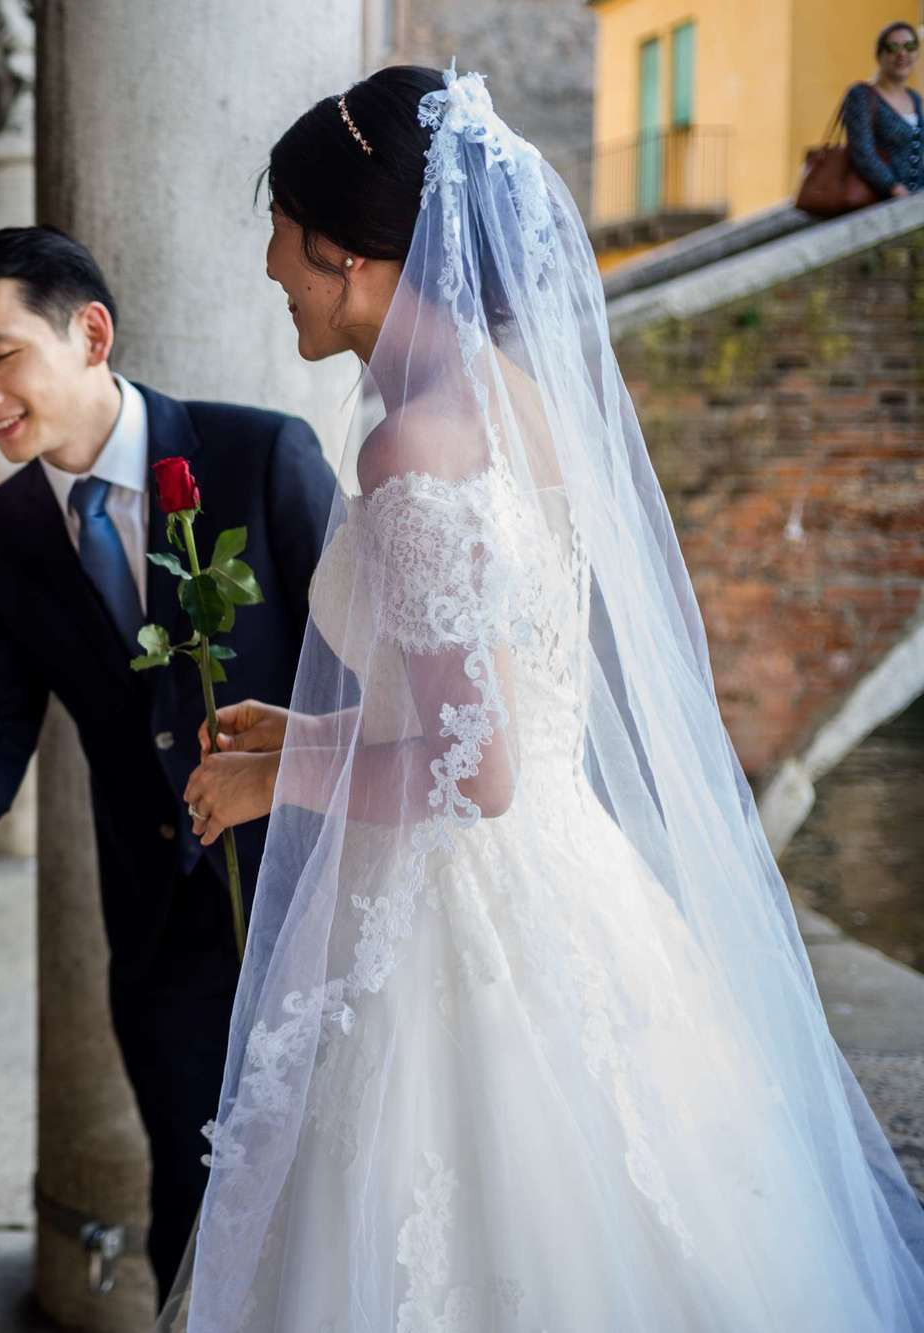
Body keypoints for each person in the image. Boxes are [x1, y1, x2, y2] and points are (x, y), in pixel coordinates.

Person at [166, 65, 924, 1330]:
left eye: (281, 229)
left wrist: (274, 780)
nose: (268, 264)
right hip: (564, 882)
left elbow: (477, 769)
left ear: (347, 251)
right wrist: (311, 729)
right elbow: (496, 700)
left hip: (460, 934)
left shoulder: (412, 442)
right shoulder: (508, 398)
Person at [0, 225, 336, 1297]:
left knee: (332, 1192)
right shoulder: (0, 533)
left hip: (318, 898)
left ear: (91, 334)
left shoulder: (260, 456)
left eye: (2, 356)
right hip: (157, 924)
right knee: (188, 1199)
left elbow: (364, 671)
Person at [843, 22, 924, 200]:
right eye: (893, 47)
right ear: (880, 55)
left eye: (909, 46)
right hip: (883, 201)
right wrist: (893, 187)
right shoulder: (862, 95)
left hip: (917, 200)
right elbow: (862, 151)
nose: (902, 54)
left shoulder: (915, 98)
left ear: (916, 54)